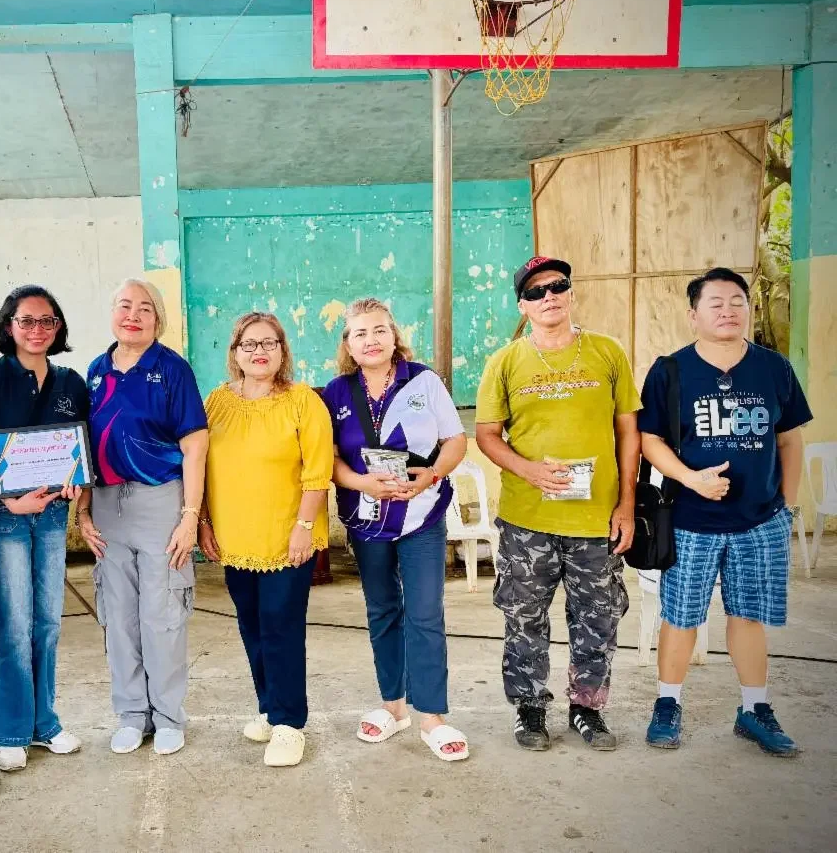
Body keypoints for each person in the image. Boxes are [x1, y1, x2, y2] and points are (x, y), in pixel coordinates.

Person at [639, 268, 811, 757]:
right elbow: (650, 439)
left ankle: (754, 709)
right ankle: (667, 705)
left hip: (760, 521)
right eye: (715, 302)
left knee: (748, 616)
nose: (728, 310)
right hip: (691, 521)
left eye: (737, 301)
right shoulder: (670, 370)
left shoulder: (773, 368)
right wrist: (691, 479)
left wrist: (788, 505)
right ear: (693, 314)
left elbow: (789, 437)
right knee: (681, 617)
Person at [476, 256, 640, 752]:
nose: (549, 296)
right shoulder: (504, 362)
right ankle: (529, 709)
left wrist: (627, 503)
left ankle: (588, 709)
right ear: (522, 306)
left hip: (596, 520)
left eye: (558, 286)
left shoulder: (607, 353)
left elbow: (628, 430)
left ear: (570, 293)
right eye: (536, 291)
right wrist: (527, 469)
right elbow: (487, 435)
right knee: (524, 616)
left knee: (597, 616)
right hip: (528, 519)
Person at [322, 298, 471, 761]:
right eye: (360, 333)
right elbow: (329, 459)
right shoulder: (336, 392)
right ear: (347, 342)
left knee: (425, 611)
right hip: (366, 517)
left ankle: (432, 717)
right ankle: (394, 707)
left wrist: (431, 475)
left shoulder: (423, 381)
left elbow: (455, 439)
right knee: (383, 610)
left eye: (380, 330)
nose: (371, 340)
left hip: (420, 513)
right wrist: (361, 481)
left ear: (394, 334)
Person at [76, 278, 209, 756]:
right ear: (112, 313)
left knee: (163, 613)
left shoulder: (172, 369)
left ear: (158, 319)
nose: (133, 315)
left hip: (160, 502)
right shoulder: (95, 370)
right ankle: (132, 714)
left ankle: (170, 716)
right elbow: (84, 448)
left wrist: (190, 516)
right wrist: (84, 508)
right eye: (124, 306)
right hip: (109, 504)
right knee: (118, 615)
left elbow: (195, 445)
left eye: (145, 308)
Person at [198, 313, 333, 767]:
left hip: (286, 538)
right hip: (235, 538)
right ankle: (269, 707)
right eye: (250, 344)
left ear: (282, 351)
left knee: (281, 629)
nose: (260, 351)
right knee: (251, 626)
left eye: (269, 343)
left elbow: (318, 471)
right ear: (235, 352)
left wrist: (304, 527)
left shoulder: (302, 401)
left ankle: (290, 724)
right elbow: (198, 466)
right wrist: (203, 521)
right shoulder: (216, 402)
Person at [0, 286, 89, 771]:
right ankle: (11, 730)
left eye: (47, 320)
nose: (37, 329)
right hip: (7, 517)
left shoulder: (71, 382)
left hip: (54, 514)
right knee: (15, 627)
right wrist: (9, 500)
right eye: (27, 321)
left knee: (49, 623)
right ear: (9, 326)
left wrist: (77, 484)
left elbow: (77, 448)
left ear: (57, 327)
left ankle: (46, 723)